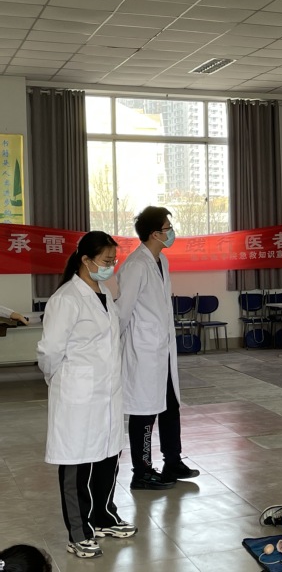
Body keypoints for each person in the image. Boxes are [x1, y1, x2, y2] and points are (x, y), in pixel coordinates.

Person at [36, 231, 136, 559]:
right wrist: (60, 379)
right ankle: (78, 533)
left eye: (113, 260)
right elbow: (50, 351)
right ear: (86, 260)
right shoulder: (66, 298)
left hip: (107, 392)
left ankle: (103, 516)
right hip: (77, 394)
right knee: (77, 462)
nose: (111, 266)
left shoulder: (103, 293)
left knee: (107, 456)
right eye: (106, 260)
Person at [116, 206, 197, 490]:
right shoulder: (136, 265)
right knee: (144, 411)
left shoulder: (160, 261)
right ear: (154, 234)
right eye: (167, 228)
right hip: (144, 351)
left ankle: (172, 460)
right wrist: (114, 346)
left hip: (162, 349)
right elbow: (122, 311)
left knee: (170, 405)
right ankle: (142, 471)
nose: (171, 232)